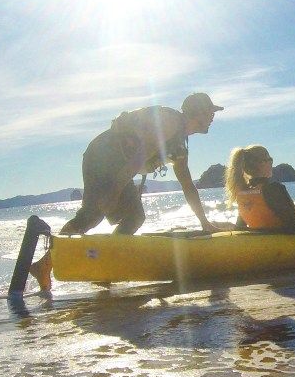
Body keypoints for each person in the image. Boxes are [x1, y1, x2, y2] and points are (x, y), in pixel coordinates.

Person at [28, 92, 225, 291]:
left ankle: (105, 267)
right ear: (198, 112)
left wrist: (204, 222)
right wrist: (114, 191)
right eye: (210, 112)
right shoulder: (170, 123)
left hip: (117, 164)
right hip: (103, 157)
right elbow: (139, 158)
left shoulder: (180, 143)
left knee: (135, 217)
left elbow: (187, 185)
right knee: (92, 215)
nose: (212, 117)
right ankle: (45, 265)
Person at [225, 145, 295, 234]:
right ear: (262, 163)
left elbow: (240, 228)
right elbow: (292, 226)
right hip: (282, 242)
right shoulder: (274, 189)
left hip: (259, 243)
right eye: (270, 159)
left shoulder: (242, 193)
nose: (271, 163)